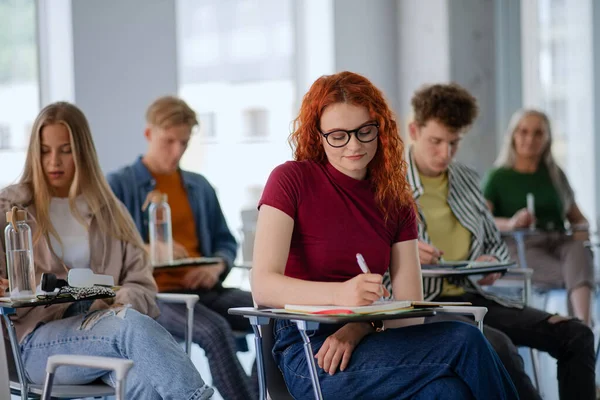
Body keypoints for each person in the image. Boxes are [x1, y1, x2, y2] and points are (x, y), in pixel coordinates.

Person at [252, 71, 518, 399]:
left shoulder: (395, 198)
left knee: (448, 391)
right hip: (310, 352)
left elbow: (409, 309)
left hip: (375, 342)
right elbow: (262, 285)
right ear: (318, 135)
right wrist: (341, 296)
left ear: (381, 129)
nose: (355, 145)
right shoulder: (289, 180)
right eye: (338, 135)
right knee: (465, 340)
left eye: (365, 131)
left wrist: (360, 326)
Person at [392, 83, 595, 400]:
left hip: (475, 297)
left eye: (454, 143)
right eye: (436, 142)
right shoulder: (388, 183)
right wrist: (400, 252)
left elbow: (495, 245)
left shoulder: (465, 179)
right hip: (425, 306)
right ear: (414, 130)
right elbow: (362, 253)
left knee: (575, 334)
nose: (446, 153)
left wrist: (490, 264)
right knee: (500, 346)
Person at [0, 102, 213, 399]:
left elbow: (142, 284)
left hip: (102, 331)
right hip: (35, 344)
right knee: (129, 326)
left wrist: (117, 300)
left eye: (66, 150)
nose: (53, 162)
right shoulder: (10, 209)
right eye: (45, 150)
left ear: (83, 152)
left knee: (143, 377)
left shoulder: (110, 211)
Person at [107, 96, 255, 400]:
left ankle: (264, 390)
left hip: (207, 291)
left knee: (273, 312)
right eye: (169, 141)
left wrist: (215, 267)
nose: (177, 151)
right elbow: (107, 251)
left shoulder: (199, 186)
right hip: (155, 296)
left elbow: (225, 242)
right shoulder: (118, 185)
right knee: (214, 332)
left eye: (184, 143)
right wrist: (149, 248)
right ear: (149, 134)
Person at [483, 109, 594, 326]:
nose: (530, 139)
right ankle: (581, 329)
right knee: (580, 274)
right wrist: (512, 223)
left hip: (559, 243)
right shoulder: (498, 177)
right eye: (523, 132)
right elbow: (482, 221)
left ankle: (582, 325)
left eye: (538, 133)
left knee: (580, 250)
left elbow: (579, 220)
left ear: (547, 139)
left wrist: (582, 231)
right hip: (522, 246)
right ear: (513, 135)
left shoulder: (555, 174)